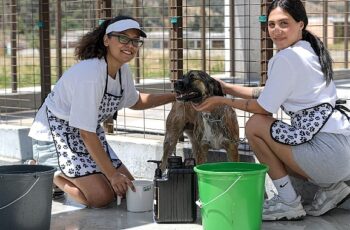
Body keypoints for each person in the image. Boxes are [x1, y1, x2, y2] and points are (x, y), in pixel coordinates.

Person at [193, 0, 350, 221]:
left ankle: (288, 201)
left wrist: (222, 101)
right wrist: (227, 88)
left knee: (256, 126)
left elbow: (264, 107)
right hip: (342, 152)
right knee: (277, 140)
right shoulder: (308, 50)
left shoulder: (286, 58)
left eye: (284, 23)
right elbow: (268, 92)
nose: (276, 30)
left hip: (326, 154)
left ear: (300, 24)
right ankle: (332, 188)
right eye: (271, 24)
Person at [28, 15, 176, 208]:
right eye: (123, 38)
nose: (130, 45)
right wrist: (112, 174)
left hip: (86, 134)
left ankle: (75, 175)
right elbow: (86, 132)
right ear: (107, 40)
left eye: (135, 41)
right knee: (101, 197)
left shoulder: (122, 71)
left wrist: (175, 97)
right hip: (55, 136)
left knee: (128, 188)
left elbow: (136, 100)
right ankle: (45, 171)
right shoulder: (90, 74)